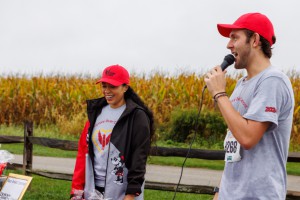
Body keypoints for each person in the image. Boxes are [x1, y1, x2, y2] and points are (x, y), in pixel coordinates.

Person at [204, 13, 295, 199]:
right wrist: (219, 192)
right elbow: (234, 142)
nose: (228, 45)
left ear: (254, 40)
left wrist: (220, 94)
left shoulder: (273, 81)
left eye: (234, 37)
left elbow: (247, 138)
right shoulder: (241, 85)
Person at [70, 64, 155, 200]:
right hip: (93, 191)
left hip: (122, 192)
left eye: (113, 86)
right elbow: (83, 152)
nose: (107, 91)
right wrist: (77, 191)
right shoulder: (96, 112)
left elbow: (139, 158)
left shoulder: (137, 116)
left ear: (125, 87)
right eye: (104, 86)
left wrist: (130, 195)